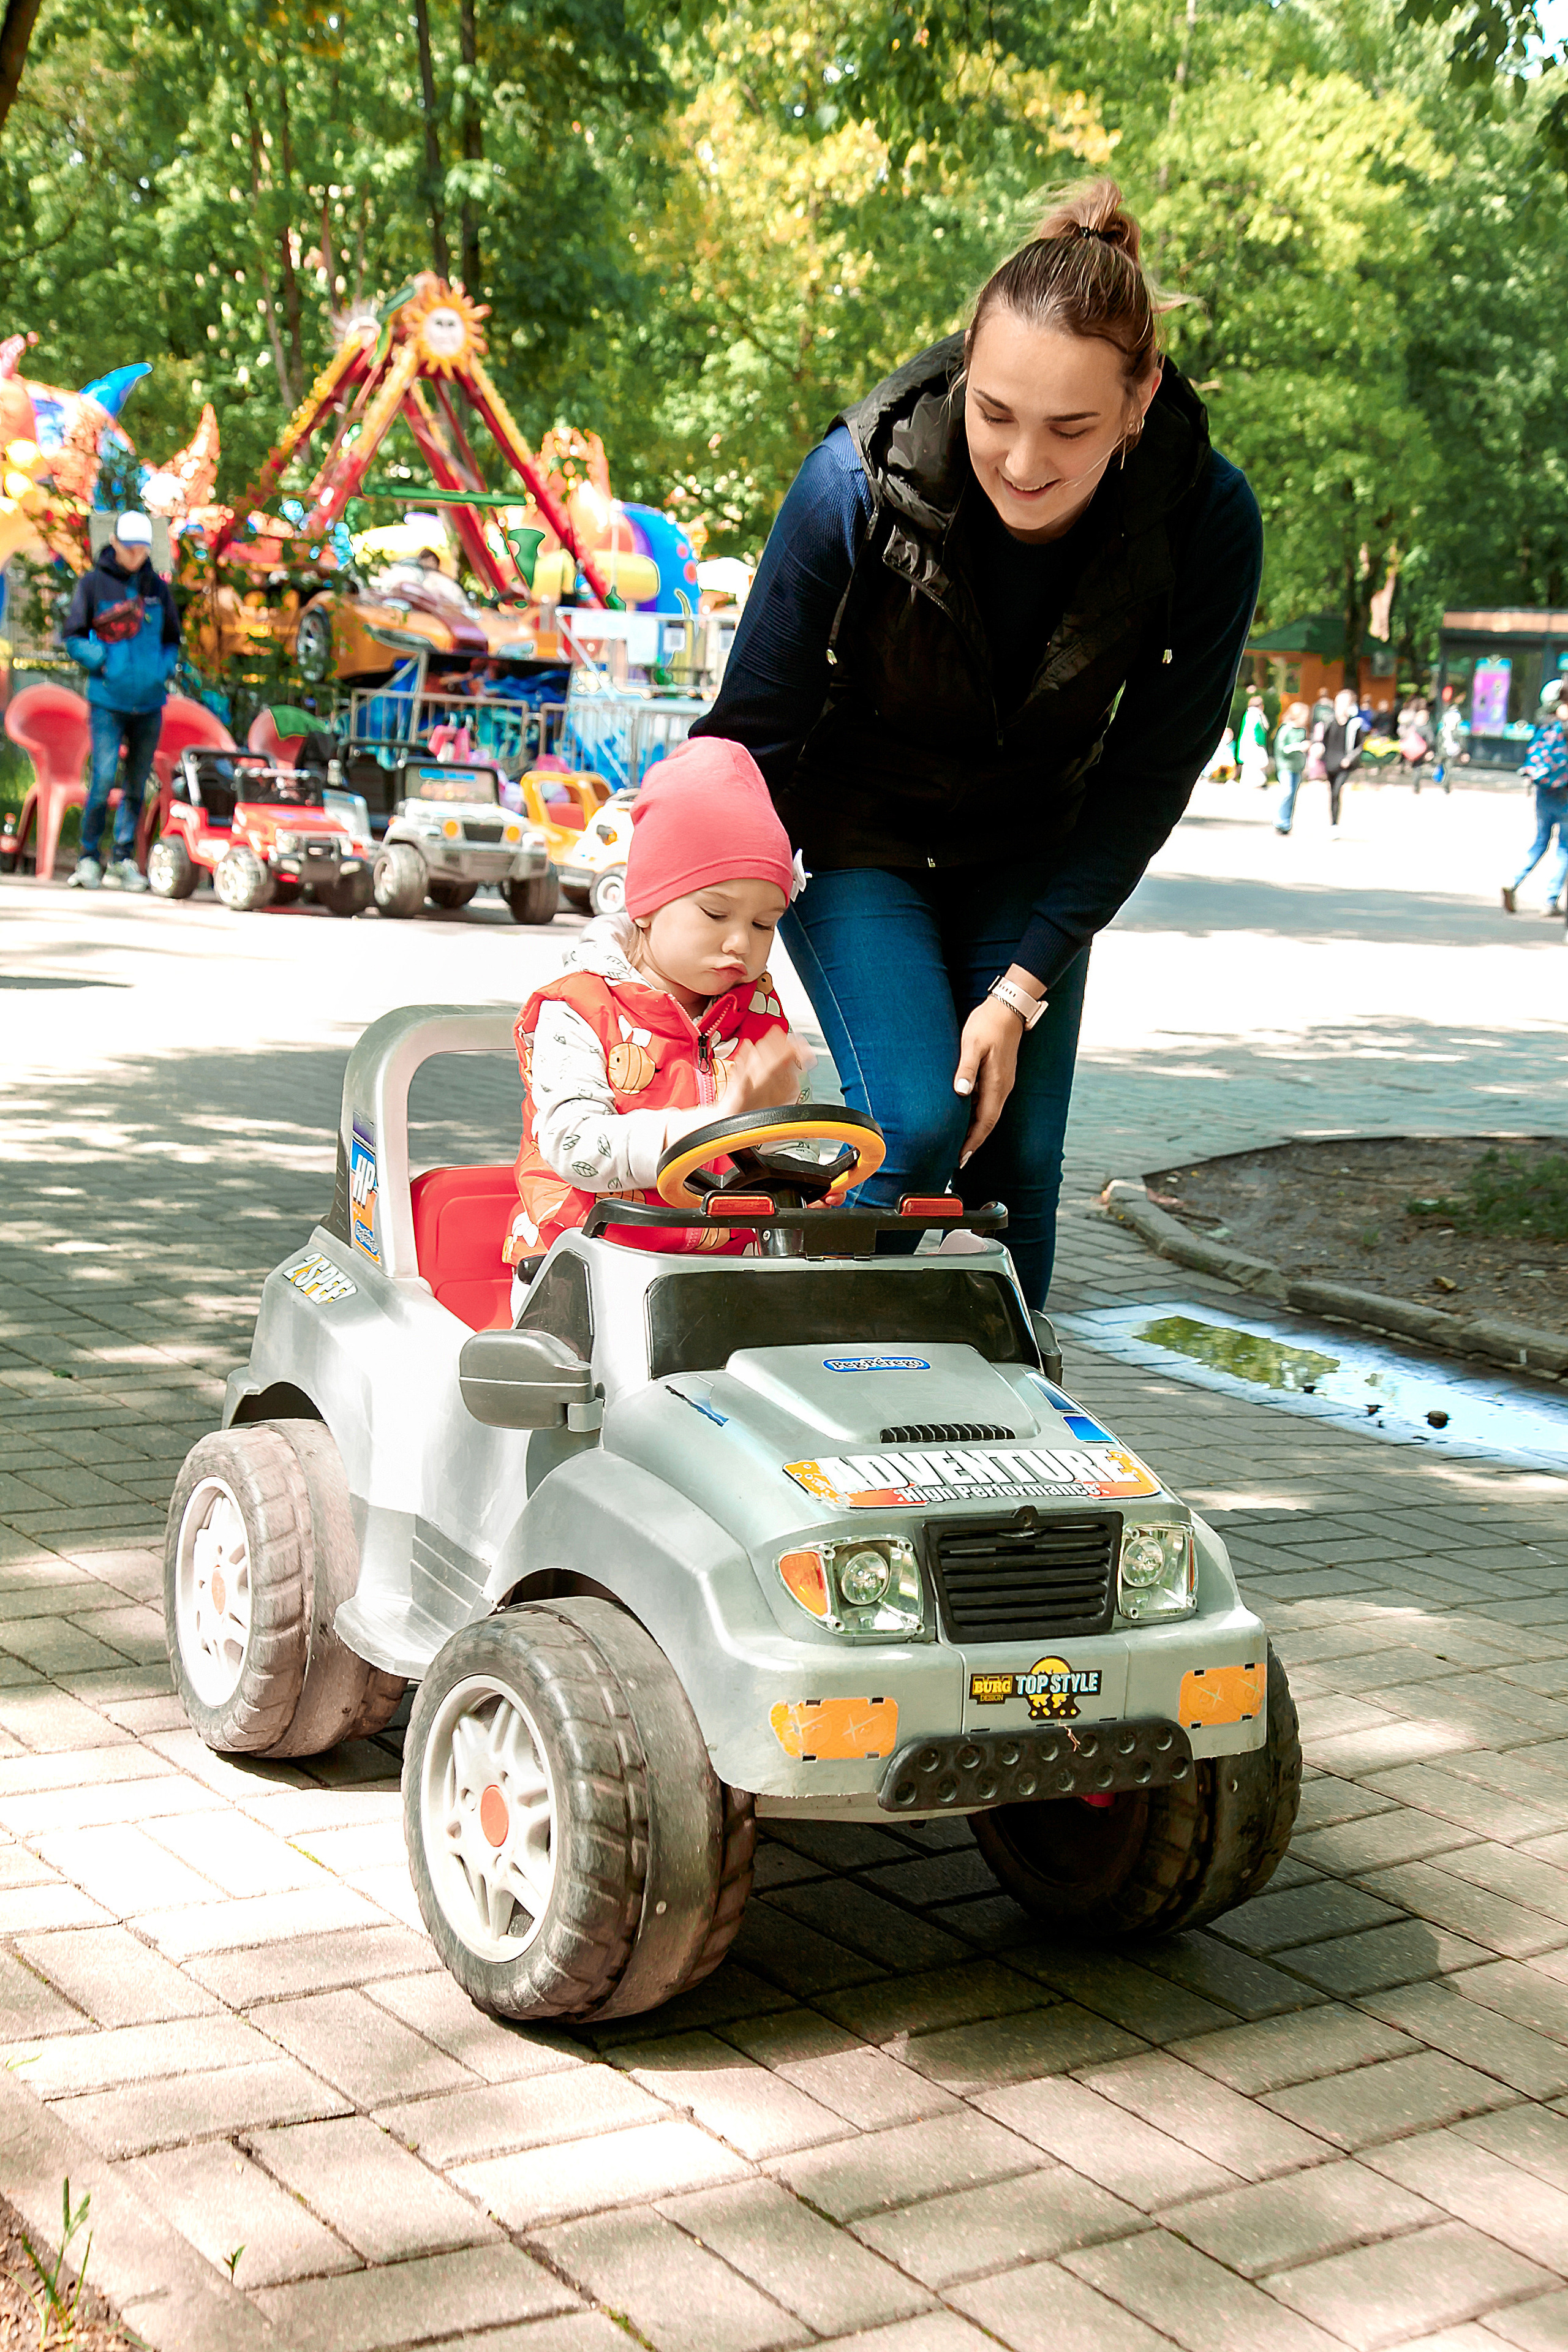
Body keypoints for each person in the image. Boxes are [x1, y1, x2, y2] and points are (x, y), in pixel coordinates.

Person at [689, 176, 1262, 1306]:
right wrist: (692, 961)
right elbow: (746, 742)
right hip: (853, 826)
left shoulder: (1204, 519)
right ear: (965, 369)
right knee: (912, 1127)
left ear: (1141, 398)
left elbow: (1149, 772)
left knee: (1017, 1162)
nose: (1022, 461)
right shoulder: (851, 484)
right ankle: (799, 1367)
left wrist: (1021, 988)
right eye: (995, 413)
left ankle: (1008, 1448)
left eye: (1073, 428)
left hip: (1034, 842)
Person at [506, 737, 813, 1295]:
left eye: (766, 923)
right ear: (646, 903)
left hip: (722, 1271)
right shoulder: (579, 1008)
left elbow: (791, 1163)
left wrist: (782, 1125)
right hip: (588, 1270)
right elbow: (576, 1146)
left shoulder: (757, 1010)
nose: (741, 943)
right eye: (716, 913)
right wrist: (716, 1121)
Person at [63, 513, 182, 890]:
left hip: (149, 704)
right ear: (115, 543)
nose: (135, 556)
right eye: (129, 548)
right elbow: (73, 637)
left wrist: (161, 670)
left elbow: (171, 640)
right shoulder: (93, 585)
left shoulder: (158, 590)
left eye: (142, 549)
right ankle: (87, 859)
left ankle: (123, 860)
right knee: (102, 779)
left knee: (136, 786)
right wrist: (102, 660)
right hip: (108, 702)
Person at [1501, 680, 1568, 915]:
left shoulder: (1546, 724)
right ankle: (1550, 900)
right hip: (1566, 794)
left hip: (1544, 792)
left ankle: (1513, 881)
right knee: (1565, 848)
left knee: (1541, 842)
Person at [1321, 688, 1363, 830]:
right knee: (1332, 793)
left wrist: (1349, 759)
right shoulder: (1329, 721)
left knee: (1337, 791)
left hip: (1344, 764)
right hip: (1330, 762)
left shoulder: (1355, 724)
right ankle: (1332, 822)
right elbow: (1322, 741)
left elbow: (1360, 746)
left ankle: (1335, 824)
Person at [1273, 701, 1310, 834]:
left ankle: (1287, 823)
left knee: (1293, 795)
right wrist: (1298, 747)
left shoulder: (1302, 731)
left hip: (1297, 767)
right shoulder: (1285, 729)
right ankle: (1279, 821)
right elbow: (1281, 749)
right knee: (1286, 792)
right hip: (1286, 766)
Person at [1237, 690, 1270, 787]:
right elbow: (1261, 729)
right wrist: (1260, 745)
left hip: (1246, 743)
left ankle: (1249, 783)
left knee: (1248, 765)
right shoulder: (1257, 714)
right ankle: (1256, 783)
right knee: (1257, 764)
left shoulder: (1247, 713)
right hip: (1255, 743)